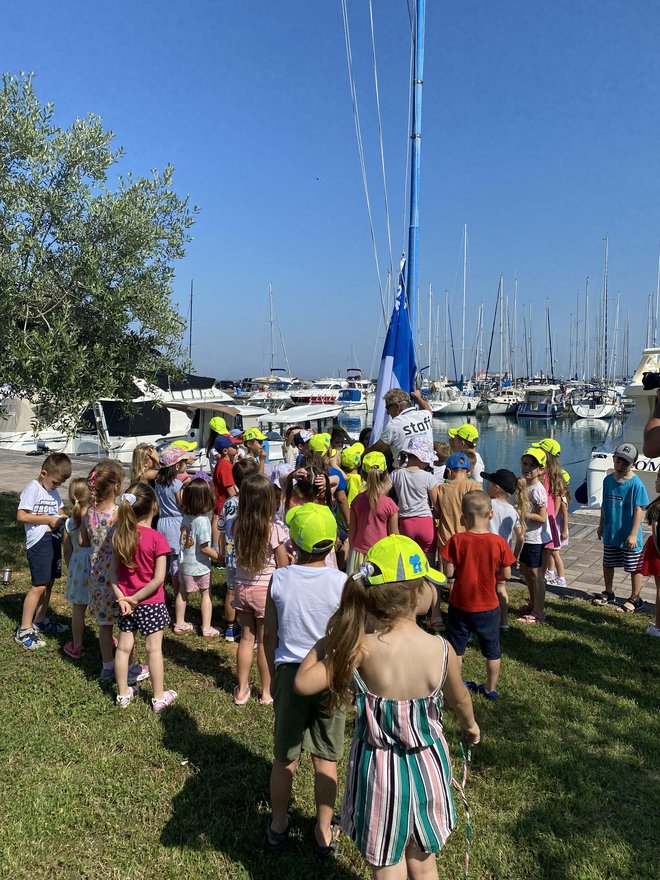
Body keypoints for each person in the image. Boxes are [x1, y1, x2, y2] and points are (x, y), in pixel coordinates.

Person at [294, 535, 480, 879]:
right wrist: (470, 727)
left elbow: (303, 682)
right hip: (428, 768)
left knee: (386, 862)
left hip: (378, 772)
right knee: (424, 863)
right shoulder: (441, 650)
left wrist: (329, 641)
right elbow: (460, 700)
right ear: (414, 594)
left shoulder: (360, 648)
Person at [262, 504, 347, 857]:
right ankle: (324, 829)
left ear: (294, 543)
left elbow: (269, 634)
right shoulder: (343, 583)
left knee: (285, 757)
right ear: (331, 545)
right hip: (330, 674)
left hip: (290, 673)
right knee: (326, 759)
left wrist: (267, 679)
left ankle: (279, 822)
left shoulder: (279, 579)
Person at [441, 491, 516, 699]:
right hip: (489, 605)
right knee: (492, 649)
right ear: (490, 515)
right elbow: (507, 574)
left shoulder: (456, 540)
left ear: (463, 516)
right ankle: (491, 688)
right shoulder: (499, 542)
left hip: (460, 603)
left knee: (457, 648)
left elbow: (448, 573)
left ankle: (455, 687)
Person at [109, 484, 177, 712]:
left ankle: (122, 693)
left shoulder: (120, 537)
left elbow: (111, 575)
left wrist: (123, 598)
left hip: (126, 603)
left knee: (123, 649)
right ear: (154, 507)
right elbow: (158, 579)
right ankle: (158, 697)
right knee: (154, 650)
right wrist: (135, 599)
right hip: (150, 603)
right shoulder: (157, 539)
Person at [233, 474, 289, 705]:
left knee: (246, 639)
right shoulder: (274, 529)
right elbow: (283, 564)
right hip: (265, 591)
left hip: (241, 587)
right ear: (269, 501)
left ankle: (242, 689)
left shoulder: (236, 525)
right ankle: (266, 692)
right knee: (266, 642)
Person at [15, 453, 71, 649]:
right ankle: (24, 629)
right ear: (43, 473)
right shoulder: (33, 488)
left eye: (59, 484)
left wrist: (64, 518)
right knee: (38, 585)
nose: (56, 486)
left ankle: (40, 620)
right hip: (39, 542)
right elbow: (21, 516)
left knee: (49, 583)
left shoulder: (53, 492)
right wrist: (48, 520)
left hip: (53, 539)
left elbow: (60, 511)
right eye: (55, 482)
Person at [592, 443, 649, 612]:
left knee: (634, 567)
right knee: (608, 562)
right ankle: (609, 592)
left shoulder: (636, 484)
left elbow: (639, 509)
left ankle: (635, 597)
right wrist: (601, 524)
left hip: (628, 534)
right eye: (618, 461)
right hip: (611, 530)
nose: (620, 465)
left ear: (633, 464)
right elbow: (604, 505)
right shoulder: (608, 480)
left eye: (625, 463)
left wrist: (633, 534)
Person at [218, 457, 260, 642]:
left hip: (230, 554)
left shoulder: (229, 503)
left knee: (231, 590)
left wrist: (221, 551)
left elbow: (220, 529)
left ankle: (230, 628)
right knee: (252, 589)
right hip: (250, 554)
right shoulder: (254, 503)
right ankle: (252, 629)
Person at [156, 444, 195, 633]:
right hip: (176, 525)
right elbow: (182, 504)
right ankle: (178, 594)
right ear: (177, 466)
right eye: (183, 462)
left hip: (162, 523)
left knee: (166, 561)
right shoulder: (178, 485)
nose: (185, 464)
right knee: (177, 565)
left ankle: (164, 594)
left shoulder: (159, 483)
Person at [482, 468, 524, 630]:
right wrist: (514, 557)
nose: (486, 484)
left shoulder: (488, 505)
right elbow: (521, 537)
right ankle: (503, 622)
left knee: (484, 588)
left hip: (485, 554)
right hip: (502, 556)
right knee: (500, 588)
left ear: (496, 487)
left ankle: (484, 619)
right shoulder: (513, 512)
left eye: (489, 482)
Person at [179, 476, 220, 636]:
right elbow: (204, 548)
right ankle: (206, 627)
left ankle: (180, 623)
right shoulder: (202, 521)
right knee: (206, 594)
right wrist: (219, 556)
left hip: (184, 563)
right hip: (200, 566)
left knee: (183, 593)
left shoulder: (186, 517)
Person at [517, 447, 551, 625]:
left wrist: (522, 513)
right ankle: (532, 603)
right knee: (525, 570)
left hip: (535, 538)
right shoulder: (524, 484)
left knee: (536, 574)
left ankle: (539, 611)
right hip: (526, 536)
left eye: (532, 465)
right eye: (525, 463)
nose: (527, 468)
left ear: (541, 470)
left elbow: (542, 517)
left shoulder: (537, 490)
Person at [347, 457, 398, 574]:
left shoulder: (357, 501)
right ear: (385, 476)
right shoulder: (390, 504)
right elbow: (394, 536)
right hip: (381, 555)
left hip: (359, 554)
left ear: (363, 476)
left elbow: (352, 532)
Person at [390, 435, 439, 557]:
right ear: (421, 458)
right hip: (426, 523)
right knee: (429, 567)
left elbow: (382, 493)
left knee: (407, 564)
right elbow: (437, 505)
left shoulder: (396, 474)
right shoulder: (429, 477)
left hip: (405, 523)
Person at [62, 477, 93, 659]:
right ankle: (108, 637)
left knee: (78, 609)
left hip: (77, 568)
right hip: (98, 566)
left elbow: (67, 550)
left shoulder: (69, 522)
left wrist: (71, 567)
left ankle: (77, 644)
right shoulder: (96, 517)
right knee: (101, 607)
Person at [369, 388, 433, 466]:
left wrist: (361, 453)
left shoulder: (393, 425)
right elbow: (428, 408)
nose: (388, 413)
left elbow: (377, 449)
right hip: (428, 471)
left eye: (387, 408)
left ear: (397, 406)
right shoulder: (426, 415)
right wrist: (418, 397)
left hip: (404, 473)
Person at [436, 452, 482, 554]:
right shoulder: (474, 486)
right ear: (469, 472)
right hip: (467, 538)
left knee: (444, 568)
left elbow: (437, 511)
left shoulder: (441, 489)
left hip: (445, 539)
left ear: (448, 471)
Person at [640, 470, 660, 637]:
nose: (656, 481)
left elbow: (656, 536)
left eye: (658, 478)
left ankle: (658, 627)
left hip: (658, 554)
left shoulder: (656, 508)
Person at [211, 435, 238, 547]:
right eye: (234, 446)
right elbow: (230, 488)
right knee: (219, 519)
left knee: (218, 518)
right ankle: (216, 546)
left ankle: (217, 546)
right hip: (223, 503)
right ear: (225, 450)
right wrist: (238, 502)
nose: (237, 448)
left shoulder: (223, 463)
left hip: (220, 502)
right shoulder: (225, 465)